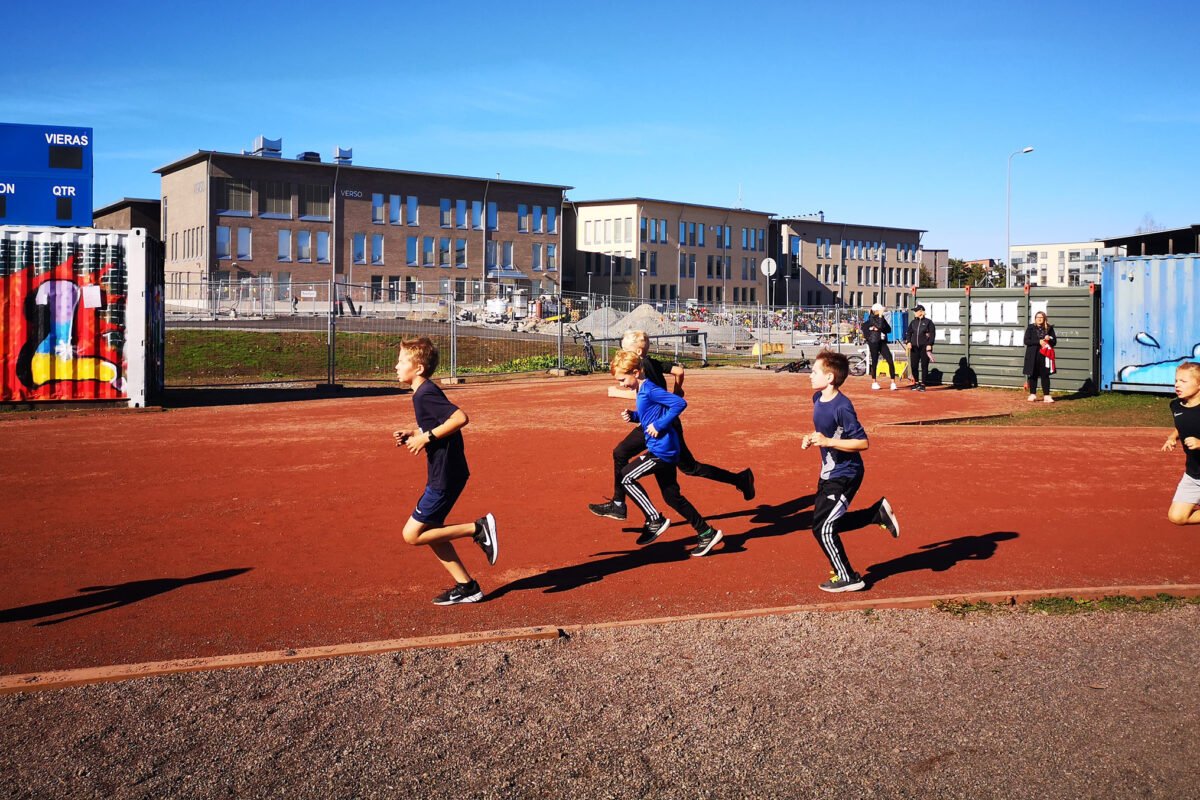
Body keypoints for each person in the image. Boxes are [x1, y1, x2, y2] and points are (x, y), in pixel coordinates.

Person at [588, 330, 754, 521]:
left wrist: (617, 393)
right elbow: (679, 371)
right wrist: (677, 389)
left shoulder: (643, 367)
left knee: (621, 453)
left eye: (627, 351)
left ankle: (619, 504)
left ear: (639, 352)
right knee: (690, 468)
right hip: (659, 420)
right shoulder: (652, 362)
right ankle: (739, 479)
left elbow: (645, 394)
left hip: (661, 423)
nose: (624, 355)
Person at [392, 337, 498, 605]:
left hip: (444, 475)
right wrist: (414, 432)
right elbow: (440, 424)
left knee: (412, 534)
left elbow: (460, 418)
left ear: (418, 368)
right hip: (446, 472)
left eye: (402, 361)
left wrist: (424, 439)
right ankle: (467, 587)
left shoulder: (425, 392)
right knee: (432, 532)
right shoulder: (423, 392)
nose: (396, 366)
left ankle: (478, 528)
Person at [800, 350, 900, 592]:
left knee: (822, 528)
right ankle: (875, 514)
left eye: (814, 372)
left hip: (847, 474)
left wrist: (827, 442)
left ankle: (849, 577)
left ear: (830, 378)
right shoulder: (817, 398)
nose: (809, 376)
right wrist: (812, 437)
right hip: (829, 472)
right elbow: (829, 432)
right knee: (825, 524)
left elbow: (862, 443)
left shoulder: (843, 406)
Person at [608, 349, 724, 556]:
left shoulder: (650, 389)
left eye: (622, 379)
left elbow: (679, 403)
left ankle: (654, 520)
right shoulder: (642, 392)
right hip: (662, 449)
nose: (621, 385)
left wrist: (660, 425)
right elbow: (653, 413)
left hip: (661, 450)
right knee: (672, 497)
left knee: (625, 476)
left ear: (635, 373)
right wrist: (634, 416)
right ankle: (706, 532)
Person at [1161, 361, 1200, 526]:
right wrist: (1172, 437)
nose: (1177, 385)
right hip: (1194, 474)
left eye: (1183, 381)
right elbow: (1181, 426)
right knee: (1177, 517)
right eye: (1176, 380)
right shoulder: (1176, 405)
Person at [1023, 311, 1057, 403]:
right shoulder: (1030, 328)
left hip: (1045, 356)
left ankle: (1047, 396)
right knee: (1032, 375)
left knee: (1045, 375)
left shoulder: (1049, 328)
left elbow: (1054, 342)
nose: (1039, 319)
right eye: (1038, 317)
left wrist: (1049, 339)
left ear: (1044, 318)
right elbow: (1026, 341)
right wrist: (1038, 342)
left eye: (1041, 317)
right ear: (1035, 318)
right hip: (1032, 355)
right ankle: (1032, 394)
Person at [864, 303, 898, 391]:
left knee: (890, 360)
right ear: (876, 311)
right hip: (874, 342)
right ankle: (874, 381)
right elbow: (878, 325)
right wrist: (879, 321)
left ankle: (893, 382)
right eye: (880, 310)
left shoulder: (881, 319)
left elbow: (888, 329)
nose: (881, 312)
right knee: (875, 361)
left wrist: (880, 328)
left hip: (882, 342)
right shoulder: (871, 319)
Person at [904, 304, 935, 391]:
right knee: (914, 366)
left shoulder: (929, 322)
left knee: (924, 365)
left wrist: (930, 344)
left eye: (916, 311)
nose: (914, 312)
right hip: (914, 347)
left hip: (924, 347)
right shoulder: (913, 322)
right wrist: (909, 342)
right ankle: (916, 383)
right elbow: (909, 333)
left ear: (921, 312)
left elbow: (932, 334)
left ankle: (923, 384)